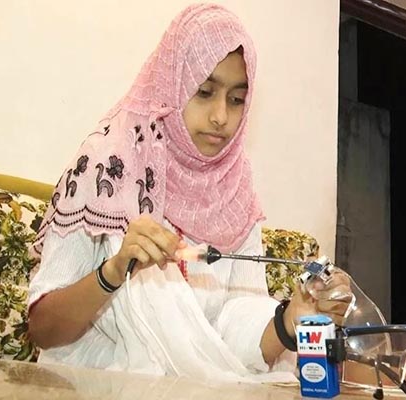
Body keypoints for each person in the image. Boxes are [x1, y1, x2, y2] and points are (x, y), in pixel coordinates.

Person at [28, 3, 351, 382]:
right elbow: (44, 329)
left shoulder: (234, 188)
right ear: (171, 86)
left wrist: (289, 320)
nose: (221, 117)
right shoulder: (107, 165)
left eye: (236, 99)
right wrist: (113, 271)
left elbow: (233, 324)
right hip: (95, 384)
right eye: (204, 92)